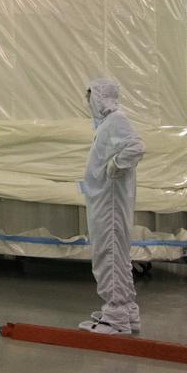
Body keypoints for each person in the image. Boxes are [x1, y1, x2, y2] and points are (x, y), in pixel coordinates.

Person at [79, 77, 145, 335]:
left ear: (101, 97)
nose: (88, 102)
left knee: (109, 255)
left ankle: (116, 316)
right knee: (116, 255)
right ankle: (126, 310)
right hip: (106, 201)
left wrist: (115, 166)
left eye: (91, 97)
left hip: (110, 204)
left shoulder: (116, 120)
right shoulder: (108, 123)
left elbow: (136, 147)